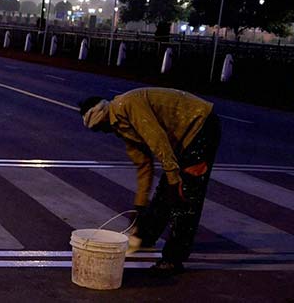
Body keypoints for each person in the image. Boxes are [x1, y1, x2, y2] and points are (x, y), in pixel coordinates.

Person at [79, 87, 221, 277]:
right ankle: (146, 236)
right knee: (165, 191)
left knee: (185, 195)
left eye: (99, 128)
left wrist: (173, 178)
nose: (103, 133)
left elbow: (157, 139)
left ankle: (173, 259)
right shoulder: (120, 126)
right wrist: (140, 205)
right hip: (182, 136)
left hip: (200, 125)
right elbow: (144, 165)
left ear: (101, 117)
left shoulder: (128, 105)